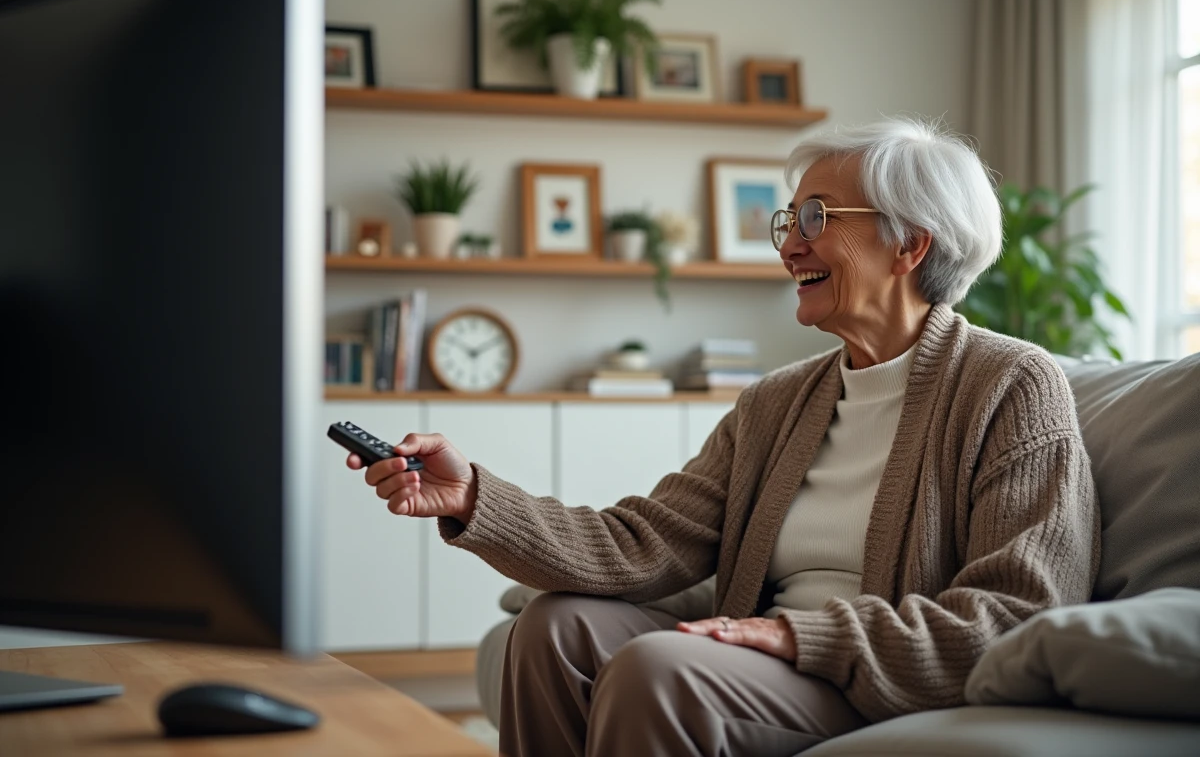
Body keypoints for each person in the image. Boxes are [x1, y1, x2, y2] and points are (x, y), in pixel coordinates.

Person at [347, 118, 1100, 757]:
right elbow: (641, 541)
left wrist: (802, 638)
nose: (789, 247)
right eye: (789, 222)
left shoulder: (1010, 385)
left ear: (910, 246)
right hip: (772, 651)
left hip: (871, 673)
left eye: (817, 220)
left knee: (658, 670)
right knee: (552, 628)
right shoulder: (778, 400)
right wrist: (474, 496)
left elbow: (1018, 611)